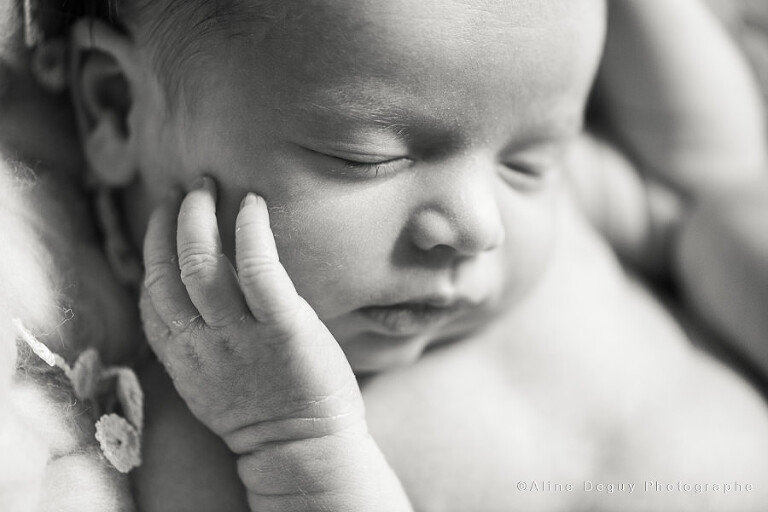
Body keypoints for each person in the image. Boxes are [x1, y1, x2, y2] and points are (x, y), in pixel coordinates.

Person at [54, 0, 768, 510]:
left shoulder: (568, 203)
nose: (479, 225)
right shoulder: (215, 426)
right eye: (369, 157)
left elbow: (709, 172)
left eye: (528, 163)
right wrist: (299, 446)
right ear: (120, 105)